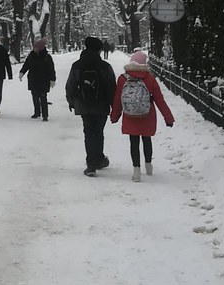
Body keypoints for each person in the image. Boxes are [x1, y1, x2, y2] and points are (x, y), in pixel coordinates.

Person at [110, 50, 175, 182]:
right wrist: (168, 118)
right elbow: (159, 100)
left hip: (130, 115)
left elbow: (117, 99)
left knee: (133, 142)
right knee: (147, 140)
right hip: (147, 115)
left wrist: (114, 116)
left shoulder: (123, 79)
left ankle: (136, 170)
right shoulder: (150, 78)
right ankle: (148, 165)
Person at [66, 35, 118, 176]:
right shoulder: (105, 67)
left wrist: (71, 101)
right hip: (101, 105)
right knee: (98, 132)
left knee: (88, 133)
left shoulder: (77, 66)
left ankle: (91, 164)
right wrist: (115, 106)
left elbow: (70, 85)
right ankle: (99, 158)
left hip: (84, 104)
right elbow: (112, 87)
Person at [19, 38, 56, 121]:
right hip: (33, 79)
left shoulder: (47, 57)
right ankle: (37, 112)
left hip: (44, 80)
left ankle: (45, 115)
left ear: (40, 48)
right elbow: (26, 65)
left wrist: (52, 79)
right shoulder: (31, 56)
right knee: (35, 96)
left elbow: (51, 69)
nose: (34, 48)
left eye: (35, 47)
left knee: (43, 97)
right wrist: (22, 72)